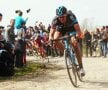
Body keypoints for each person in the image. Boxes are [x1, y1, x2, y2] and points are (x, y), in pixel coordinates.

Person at [49, 6, 85, 76]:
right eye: (60, 17)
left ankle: (81, 67)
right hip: (61, 28)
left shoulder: (71, 16)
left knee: (74, 43)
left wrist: (78, 35)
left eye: (63, 16)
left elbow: (77, 28)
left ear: (66, 15)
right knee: (55, 39)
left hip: (71, 29)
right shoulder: (55, 20)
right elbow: (52, 30)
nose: (61, 18)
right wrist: (50, 37)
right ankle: (67, 54)